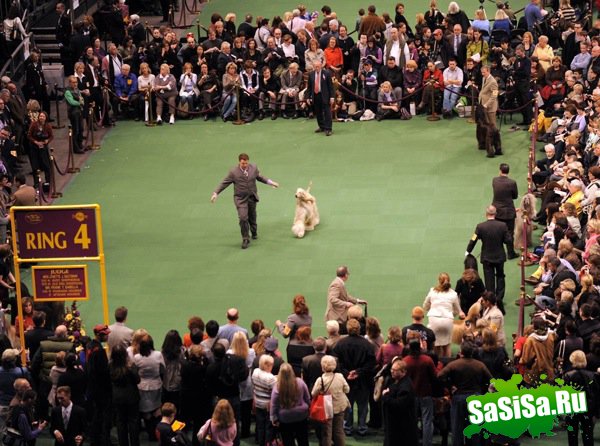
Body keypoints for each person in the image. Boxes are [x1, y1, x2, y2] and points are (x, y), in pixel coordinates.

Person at [211, 153, 280, 249]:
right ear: (239, 162)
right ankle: (245, 238)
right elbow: (224, 183)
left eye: (246, 163)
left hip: (252, 197)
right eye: (243, 163)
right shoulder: (233, 172)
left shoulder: (253, 168)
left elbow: (260, 177)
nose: (245, 165)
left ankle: (254, 231)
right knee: (243, 218)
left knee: (252, 217)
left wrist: (271, 183)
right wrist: (216, 193)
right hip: (240, 199)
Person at [437, 341, 492, 446]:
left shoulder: (454, 364)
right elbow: (491, 380)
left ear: (461, 352)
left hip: (459, 398)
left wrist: (450, 385)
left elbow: (439, 376)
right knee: (474, 430)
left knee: (457, 429)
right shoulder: (480, 365)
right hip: (476, 398)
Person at [333, 319, 376, 437]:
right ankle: (362, 428)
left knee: (348, 405)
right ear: (359, 329)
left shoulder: (340, 344)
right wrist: (358, 372)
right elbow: (371, 363)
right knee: (363, 406)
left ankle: (347, 428)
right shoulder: (367, 344)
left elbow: (336, 362)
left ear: (347, 329)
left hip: (346, 381)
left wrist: (347, 373)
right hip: (363, 381)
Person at [466, 205, 511, 314]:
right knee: (500, 276)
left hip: (487, 257)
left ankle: (490, 299)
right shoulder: (503, 226)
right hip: (499, 256)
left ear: (486, 214)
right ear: (495, 214)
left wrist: (468, 251)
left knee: (489, 278)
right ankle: (499, 298)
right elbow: (508, 240)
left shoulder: (480, 227)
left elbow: (473, 239)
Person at [423, 273, 464, 358]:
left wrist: (432, 307)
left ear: (439, 281)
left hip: (434, 320)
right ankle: (447, 365)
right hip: (448, 321)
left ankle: (437, 365)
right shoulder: (454, 294)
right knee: (447, 345)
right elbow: (458, 311)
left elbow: (425, 306)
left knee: (436, 344)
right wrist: (449, 314)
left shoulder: (432, 291)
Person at [311, 355, 349, 446]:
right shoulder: (340, 376)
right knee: (339, 431)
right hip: (340, 407)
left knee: (326, 433)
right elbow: (347, 390)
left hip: (326, 409)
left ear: (322, 366)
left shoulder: (321, 380)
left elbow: (313, 394)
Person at [270, 363, 310, 446]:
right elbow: (307, 398)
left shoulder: (277, 387)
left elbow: (274, 405)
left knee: (288, 440)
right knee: (303, 439)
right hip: (301, 415)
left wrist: (273, 418)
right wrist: (308, 408)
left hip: (285, 418)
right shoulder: (300, 382)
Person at [381, 358, 418, 446]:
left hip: (401, 427)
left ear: (403, 371)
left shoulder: (405, 387)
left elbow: (398, 404)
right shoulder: (397, 381)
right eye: (391, 370)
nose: (392, 372)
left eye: (395, 370)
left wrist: (385, 396)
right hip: (395, 424)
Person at [109, 345, 140, 446]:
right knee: (133, 422)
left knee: (120, 422)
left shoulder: (110, 366)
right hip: (131, 398)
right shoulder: (130, 366)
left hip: (117, 398)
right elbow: (138, 380)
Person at [324, 266, 367, 334]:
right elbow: (332, 299)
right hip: (335, 317)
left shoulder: (339, 283)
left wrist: (357, 301)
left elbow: (346, 296)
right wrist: (346, 304)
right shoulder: (336, 284)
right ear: (346, 275)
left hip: (339, 316)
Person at [492, 163, 519, 259]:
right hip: (508, 211)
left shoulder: (494, 180)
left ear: (500, 171)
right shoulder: (512, 182)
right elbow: (515, 196)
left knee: (497, 232)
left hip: (497, 211)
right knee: (509, 233)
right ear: (508, 171)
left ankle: (497, 252)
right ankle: (510, 253)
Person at [252, 355, 276, 446]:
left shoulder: (255, 371)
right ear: (266, 365)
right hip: (268, 406)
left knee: (260, 426)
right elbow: (276, 392)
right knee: (268, 428)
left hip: (258, 403)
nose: (272, 366)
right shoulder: (270, 378)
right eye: (271, 365)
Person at [306, 59, 334, 136]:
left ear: (321, 66)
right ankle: (322, 126)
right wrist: (308, 97)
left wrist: (332, 97)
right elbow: (309, 87)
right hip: (315, 95)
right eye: (315, 66)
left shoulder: (327, 73)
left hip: (325, 95)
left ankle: (328, 129)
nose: (316, 68)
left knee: (327, 112)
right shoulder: (311, 74)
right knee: (318, 112)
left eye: (318, 66)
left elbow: (330, 86)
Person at [477, 64, 500, 158]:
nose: (483, 74)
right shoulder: (484, 79)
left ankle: (496, 146)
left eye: (484, 72)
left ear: (489, 71)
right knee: (486, 127)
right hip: (483, 106)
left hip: (490, 108)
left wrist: (487, 104)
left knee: (493, 128)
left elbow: (494, 95)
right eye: (482, 72)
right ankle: (486, 144)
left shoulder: (493, 82)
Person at [64, 76, 85, 154]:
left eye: (76, 82)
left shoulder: (77, 90)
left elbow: (81, 98)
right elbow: (71, 102)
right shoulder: (67, 92)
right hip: (73, 113)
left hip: (79, 111)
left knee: (81, 129)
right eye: (73, 82)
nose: (75, 84)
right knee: (75, 130)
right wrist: (79, 103)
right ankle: (76, 148)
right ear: (70, 83)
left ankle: (80, 145)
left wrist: (81, 102)